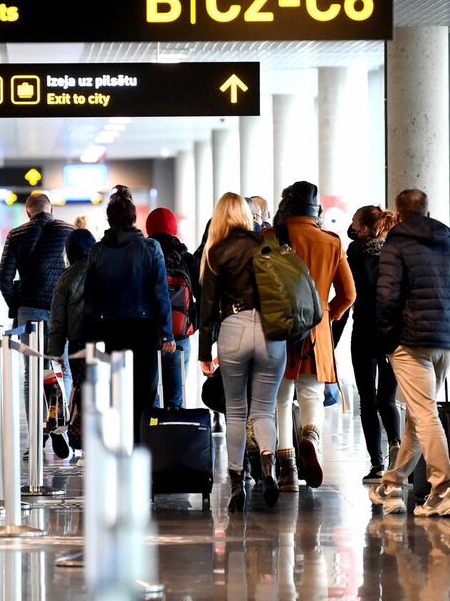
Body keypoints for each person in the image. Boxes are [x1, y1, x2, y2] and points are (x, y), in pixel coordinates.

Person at [370, 189, 450, 517]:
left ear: (398, 214)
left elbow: (387, 298)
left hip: (411, 343)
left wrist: (390, 340)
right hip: (444, 343)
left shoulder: (396, 245)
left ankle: (444, 490)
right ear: (428, 211)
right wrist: (446, 324)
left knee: (424, 415)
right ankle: (391, 486)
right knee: (417, 416)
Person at [198, 192, 285, 511]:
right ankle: (267, 462)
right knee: (263, 410)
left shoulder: (216, 251)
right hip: (271, 332)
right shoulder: (268, 245)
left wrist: (204, 352)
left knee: (235, 410)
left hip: (233, 328)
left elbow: (206, 307)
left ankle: (237, 481)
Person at [270, 181, 357, 491]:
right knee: (312, 395)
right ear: (316, 210)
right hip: (316, 329)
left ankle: (288, 470)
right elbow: (348, 294)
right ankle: (310, 436)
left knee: (281, 398)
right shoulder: (331, 243)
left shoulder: (271, 237)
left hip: (279, 328)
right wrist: (326, 316)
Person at [81, 186, 175, 443]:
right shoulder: (150, 247)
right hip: (143, 330)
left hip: (108, 331)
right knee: (145, 392)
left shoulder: (97, 251)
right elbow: (160, 294)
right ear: (134, 219)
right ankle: (141, 445)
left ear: (109, 220)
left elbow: (90, 298)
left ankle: (117, 443)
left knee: (114, 390)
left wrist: (87, 338)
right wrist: (167, 333)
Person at [347, 205, 401, 484]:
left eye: (355, 222)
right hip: (391, 333)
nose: (351, 226)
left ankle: (376, 464)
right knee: (387, 399)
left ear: (365, 228)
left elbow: (347, 298)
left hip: (364, 332)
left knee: (367, 401)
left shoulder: (354, 256)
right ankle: (396, 447)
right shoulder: (395, 253)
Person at [46, 228, 97, 459]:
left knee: (82, 391)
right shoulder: (105, 269)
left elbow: (58, 321)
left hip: (78, 343)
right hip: (106, 341)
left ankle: (84, 442)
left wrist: (55, 354)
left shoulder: (66, 277)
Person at [145, 207, 199, 408]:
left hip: (152, 336)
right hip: (181, 335)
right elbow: (200, 294)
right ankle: (175, 434)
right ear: (174, 228)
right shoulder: (186, 257)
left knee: (152, 397)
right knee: (176, 398)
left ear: (149, 229)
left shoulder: (145, 255)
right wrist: (193, 322)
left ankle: (153, 435)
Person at [0, 193, 75, 325]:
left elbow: (3, 277)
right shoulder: (70, 231)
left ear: (28, 213)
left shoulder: (15, 235)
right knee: (60, 346)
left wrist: (16, 305)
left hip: (29, 307)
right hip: (62, 308)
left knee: (30, 346)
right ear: (51, 210)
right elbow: (81, 271)